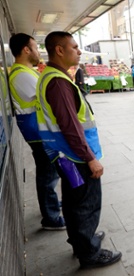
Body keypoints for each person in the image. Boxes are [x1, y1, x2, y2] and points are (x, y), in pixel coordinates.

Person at [36, 31, 122, 268]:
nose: (79, 50)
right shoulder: (58, 82)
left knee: (74, 202)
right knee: (86, 204)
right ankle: (90, 253)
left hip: (65, 155)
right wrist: (90, 158)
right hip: (76, 157)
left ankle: (82, 240)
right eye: (74, 47)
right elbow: (71, 126)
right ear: (60, 50)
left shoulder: (52, 77)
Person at [8, 33, 65, 231]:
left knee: (49, 172)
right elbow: (47, 98)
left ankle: (51, 205)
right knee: (47, 175)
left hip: (39, 131)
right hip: (38, 133)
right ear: (26, 49)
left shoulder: (25, 71)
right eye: (35, 47)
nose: (38, 51)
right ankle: (50, 218)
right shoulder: (21, 74)